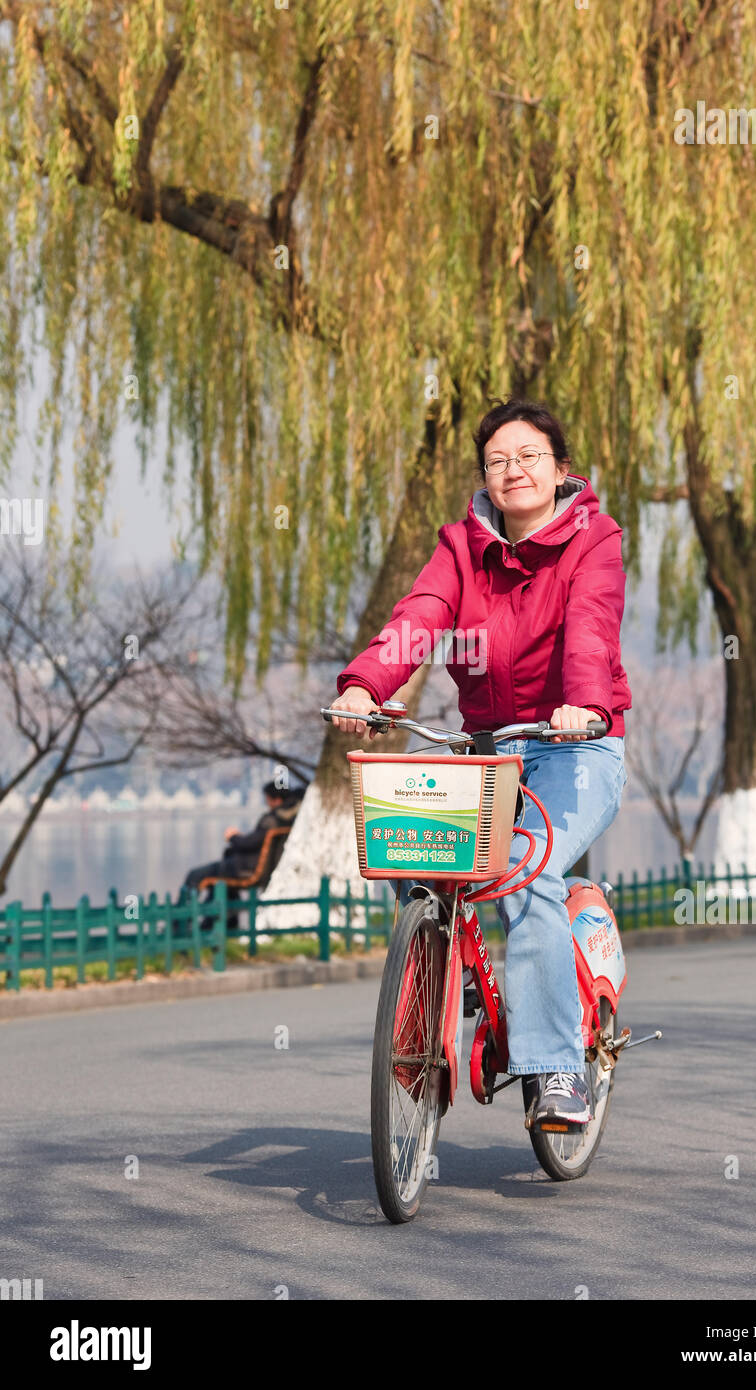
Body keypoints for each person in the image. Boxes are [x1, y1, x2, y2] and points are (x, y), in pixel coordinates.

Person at [329, 397, 632, 1130]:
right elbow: (420, 615)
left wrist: (584, 704)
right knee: (418, 858)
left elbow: (591, 628)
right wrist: (367, 683)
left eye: (529, 456)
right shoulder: (461, 546)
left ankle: (559, 1069)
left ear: (560, 470)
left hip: (576, 744)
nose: (513, 469)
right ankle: (434, 1009)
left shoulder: (595, 539)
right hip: (489, 745)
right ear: (485, 478)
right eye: (498, 460)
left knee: (528, 872)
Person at [179, 782, 303, 912]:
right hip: (252, 866)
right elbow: (254, 841)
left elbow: (248, 843)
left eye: (267, 799)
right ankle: (219, 922)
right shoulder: (288, 819)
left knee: (195, 875)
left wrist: (232, 836)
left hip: (246, 868)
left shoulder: (273, 820)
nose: (267, 803)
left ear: (276, 800)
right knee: (219, 884)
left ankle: (182, 918)